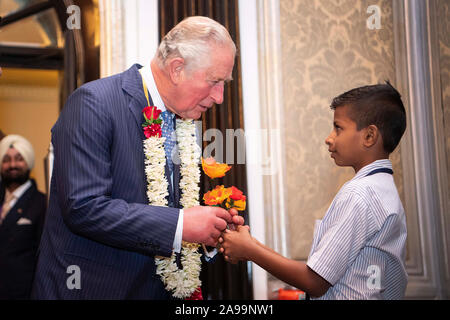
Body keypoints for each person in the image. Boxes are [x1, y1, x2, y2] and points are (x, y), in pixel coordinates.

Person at [32, 16, 243, 299]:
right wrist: (182, 225)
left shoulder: (184, 120)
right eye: (214, 81)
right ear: (177, 68)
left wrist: (209, 228)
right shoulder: (94, 103)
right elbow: (83, 207)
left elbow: (170, 210)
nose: (219, 97)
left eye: (224, 83)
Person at [220, 82, 408, 299]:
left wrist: (250, 251)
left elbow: (315, 281)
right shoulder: (381, 188)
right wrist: (251, 245)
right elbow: (325, 269)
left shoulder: (361, 194)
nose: (329, 138)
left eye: (338, 127)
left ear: (369, 136)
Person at [0, 135, 47, 299]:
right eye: (6, 159)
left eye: (19, 159)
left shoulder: (42, 203)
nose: (12, 165)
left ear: (28, 163)